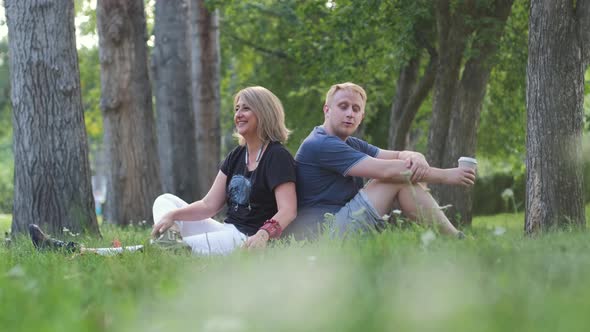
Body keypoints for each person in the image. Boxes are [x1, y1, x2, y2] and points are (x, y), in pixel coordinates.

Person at [288, 82, 476, 239]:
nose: (350, 114)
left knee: (399, 179)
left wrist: (416, 156)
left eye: (356, 109)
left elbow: (397, 155)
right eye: (343, 106)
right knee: (392, 179)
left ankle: (453, 238)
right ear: (327, 110)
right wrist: (447, 176)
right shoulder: (321, 143)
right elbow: (387, 171)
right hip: (322, 234)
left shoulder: (350, 143)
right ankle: (455, 239)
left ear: (361, 117)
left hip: (339, 222)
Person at [150, 86, 297, 255]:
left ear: (264, 113)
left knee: (177, 248)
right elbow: (208, 205)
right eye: (237, 109)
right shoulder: (237, 155)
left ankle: (164, 249)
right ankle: (170, 243)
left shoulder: (277, 156)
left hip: (246, 238)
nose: (238, 114)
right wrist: (173, 216)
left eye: (246, 108)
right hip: (226, 232)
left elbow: (288, 210)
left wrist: (263, 234)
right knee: (165, 200)